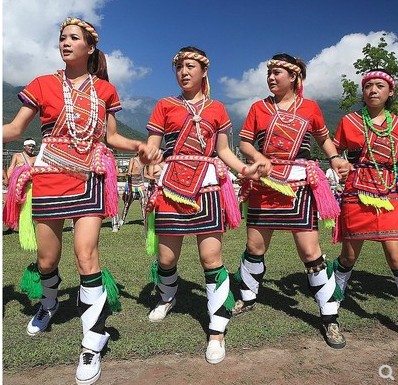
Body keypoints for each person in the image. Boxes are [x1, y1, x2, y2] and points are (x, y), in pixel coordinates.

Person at [2, 17, 161, 385]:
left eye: (73, 38)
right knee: (47, 259)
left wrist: (139, 145)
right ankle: (49, 303)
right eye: (62, 38)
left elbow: (112, 137)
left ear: (90, 47)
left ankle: (92, 340)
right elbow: (14, 129)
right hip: (48, 176)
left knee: (86, 255)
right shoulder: (42, 84)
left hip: (90, 177)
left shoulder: (105, 89)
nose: (65, 42)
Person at [144, 46, 266, 365]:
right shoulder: (164, 105)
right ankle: (168, 296)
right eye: (179, 67)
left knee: (211, 256)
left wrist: (244, 169)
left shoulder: (218, 109)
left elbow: (224, 151)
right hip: (171, 185)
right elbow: (154, 147)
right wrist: (149, 160)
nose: (184, 72)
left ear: (203, 72)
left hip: (208, 185)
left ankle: (217, 331)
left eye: (190, 66)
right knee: (166, 257)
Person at [234, 53, 350, 349]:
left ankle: (329, 316)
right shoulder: (258, 108)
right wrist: (259, 158)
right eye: (269, 73)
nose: (271, 78)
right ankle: (247, 297)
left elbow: (324, 138)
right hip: (264, 184)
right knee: (255, 247)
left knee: (311, 252)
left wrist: (335, 158)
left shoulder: (310, 108)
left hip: (300, 184)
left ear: (294, 77)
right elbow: (245, 142)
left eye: (277, 73)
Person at [332, 69, 398, 296]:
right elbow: (334, 149)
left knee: (396, 257)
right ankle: (335, 295)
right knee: (349, 256)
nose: (373, 90)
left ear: (390, 92)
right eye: (368, 86)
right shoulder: (349, 121)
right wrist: (340, 164)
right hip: (356, 193)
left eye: (380, 86)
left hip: (390, 194)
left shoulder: (397, 124)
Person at [118, 154, 148, 227]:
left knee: (144, 204)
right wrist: (129, 173)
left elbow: (145, 174)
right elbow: (129, 170)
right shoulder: (133, 159)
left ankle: (145, 220)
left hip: (141, 185)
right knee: (127, 203)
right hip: (132, 185)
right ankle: (122, 220)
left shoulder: (144, 161)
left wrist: (154, 178)